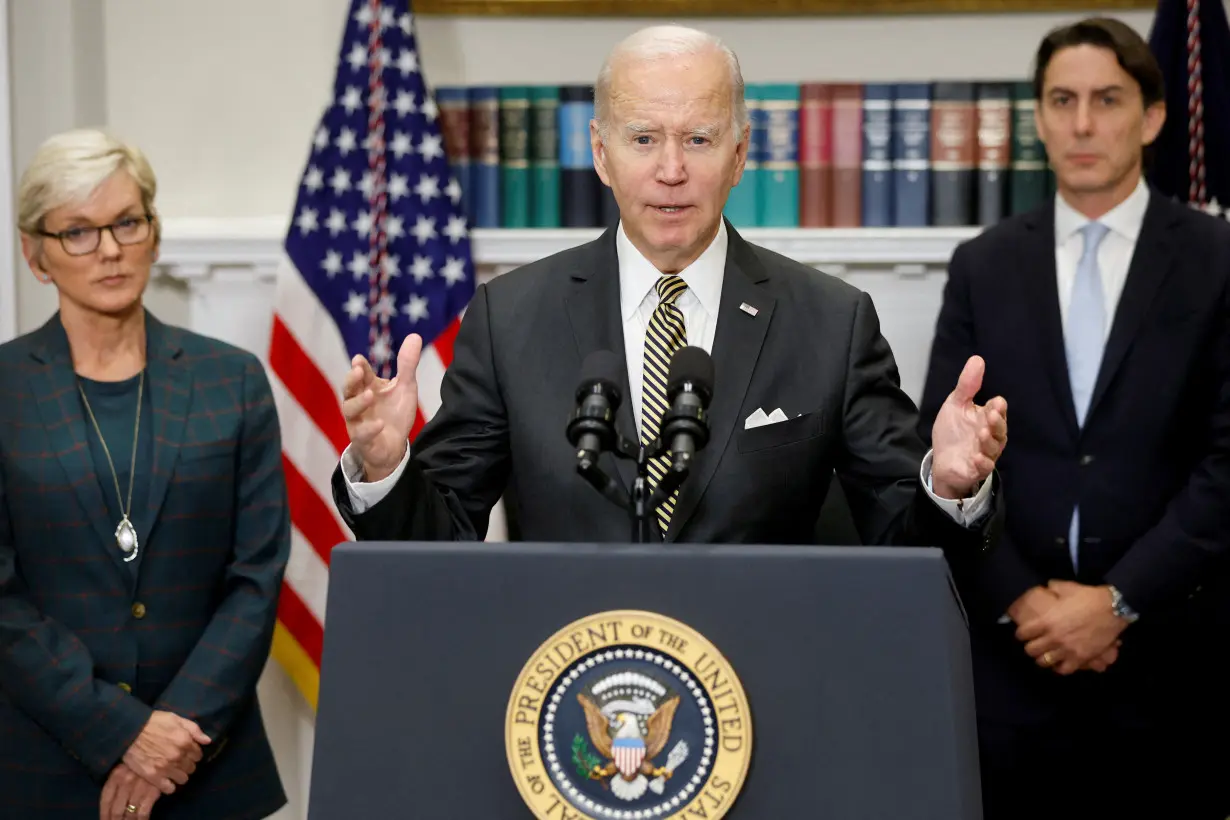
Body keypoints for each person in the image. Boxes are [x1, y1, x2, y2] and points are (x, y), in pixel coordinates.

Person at [332, 26, 1007, 557]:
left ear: (740, 155)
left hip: (761, 687)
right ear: (601, 152)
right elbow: (437, 543)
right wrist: (387, 467)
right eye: (644, 138)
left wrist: (950, 487)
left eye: (700, 138)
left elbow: (904, 545)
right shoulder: (509, 319)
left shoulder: (831, 322)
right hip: (566, 685)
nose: (672, 169)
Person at [918, 17, 1230, 820]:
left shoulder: (1214, 258)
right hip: (1011, 665)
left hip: (1169, 658)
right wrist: (1025, 602)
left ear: (1153, 117)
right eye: (1062, 100)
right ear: (1040, 118)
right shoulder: (984, 265)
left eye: (1106, 99)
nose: (1083, 123)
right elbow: (942, 461)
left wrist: (1118, 600)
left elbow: (1226, 463)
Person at [0, 129, 291, 819]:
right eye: (77, 232)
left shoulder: (233, 380)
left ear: (154, 235)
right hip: (47, 768)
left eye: (127, 222)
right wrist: (123, 732)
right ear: (34, 255)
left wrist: (171, 738)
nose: (108, 249)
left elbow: (256, 579)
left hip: (210, 768)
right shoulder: (4, 389)